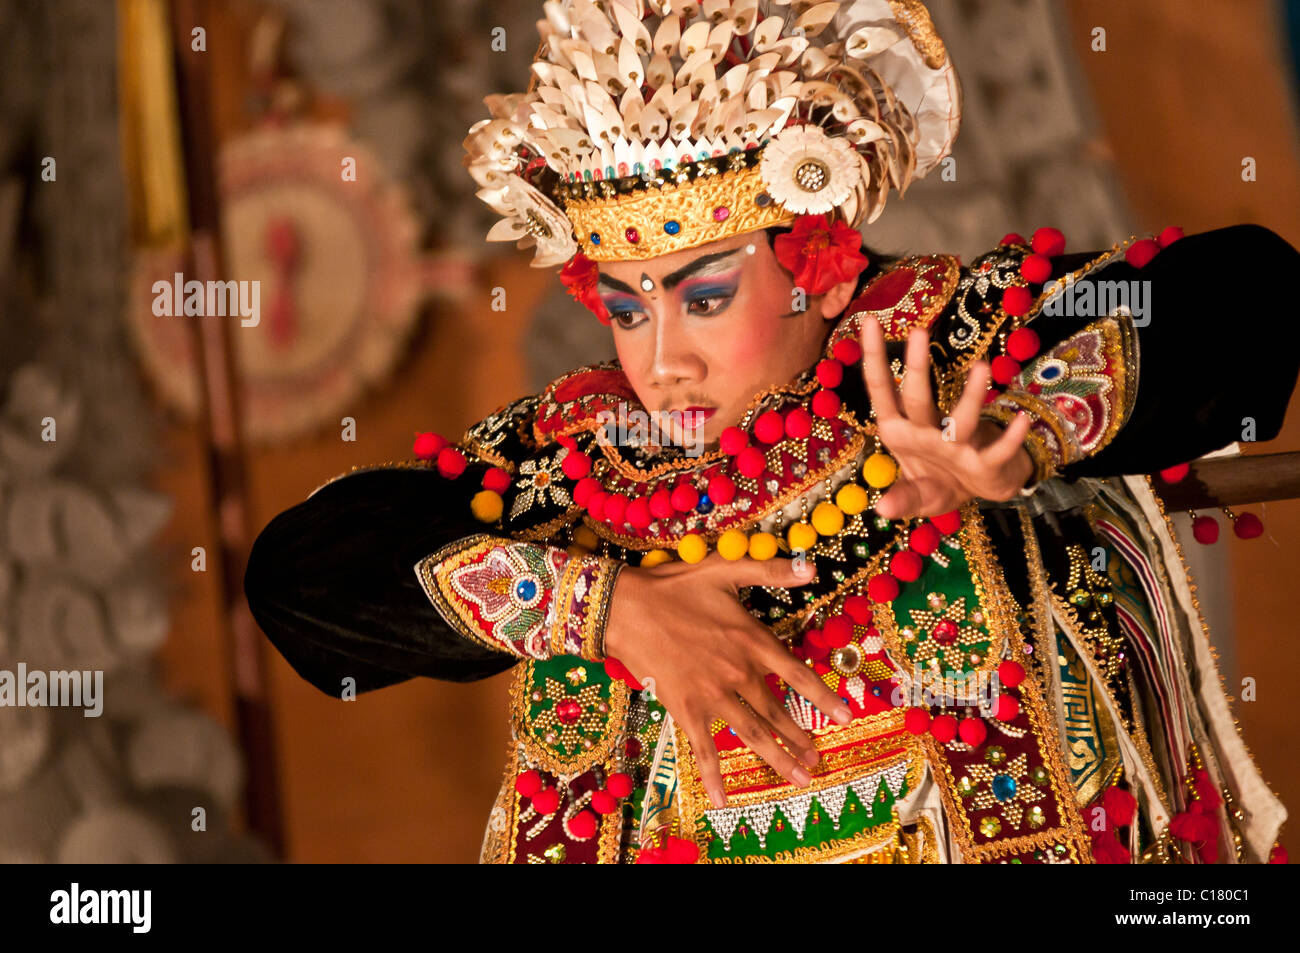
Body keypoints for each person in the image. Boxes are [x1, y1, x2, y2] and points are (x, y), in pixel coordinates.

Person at [244, 0, 1298, 864]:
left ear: (821, 266)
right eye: (623, 307)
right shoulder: (578, 465)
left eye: (702, 298)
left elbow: (1244, 300)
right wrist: (608, 610)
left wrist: (1023, 434)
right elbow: (303, 580)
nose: (662, 362)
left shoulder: (944, 349)